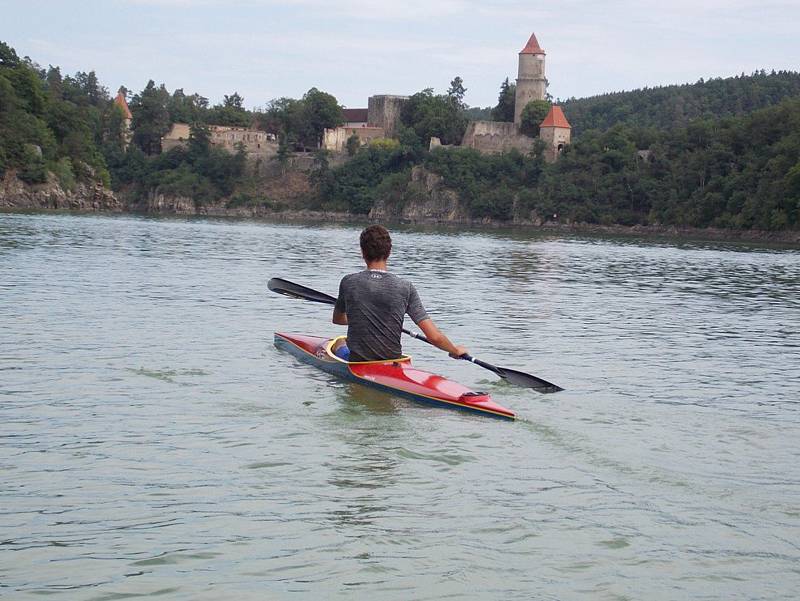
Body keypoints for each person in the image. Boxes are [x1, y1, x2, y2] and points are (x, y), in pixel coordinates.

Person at [332, 225, 467, 362]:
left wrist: (361, 319)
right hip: (393, 361)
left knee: (339, 342)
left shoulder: (348, 282)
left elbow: (337, 319)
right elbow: (434, 337)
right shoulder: (405, 287)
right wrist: (455, 350)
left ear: (362, 252)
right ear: (389, 252)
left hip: (357, 362)